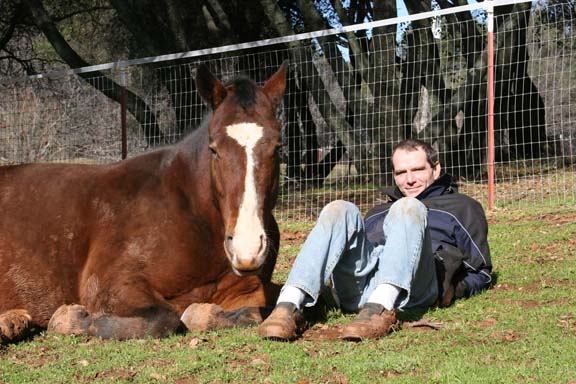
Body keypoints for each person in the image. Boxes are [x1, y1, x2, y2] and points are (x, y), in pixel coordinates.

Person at [258, 138, 492, 341]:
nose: (409, 180)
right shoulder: (379, 211)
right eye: (401, 173)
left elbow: (481, 271)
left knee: (408, 207)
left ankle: (380, 308)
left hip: (415, 285)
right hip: (363, 285)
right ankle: (287, 305)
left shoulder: (462, 207)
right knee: (341, 209)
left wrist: (453, 288)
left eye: (418, 170)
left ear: (436, 169)